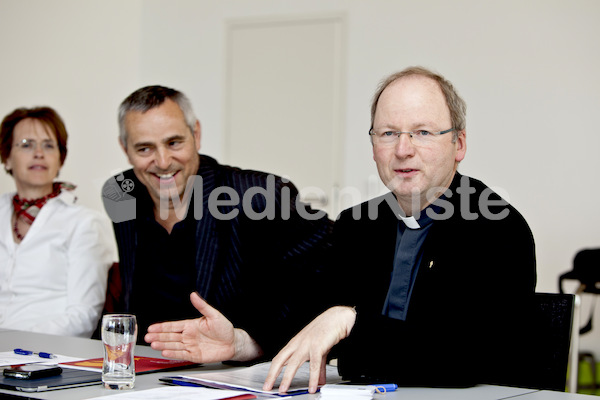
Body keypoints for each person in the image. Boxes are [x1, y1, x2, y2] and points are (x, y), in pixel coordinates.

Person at [263, 66, 537, 393]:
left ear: (458, 145)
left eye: (422, 132)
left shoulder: (498, 229)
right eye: (389, 133)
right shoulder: (357, 224)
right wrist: (241, 342)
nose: (403, 150)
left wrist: (354, 324)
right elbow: (315, 320)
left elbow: (464, 358)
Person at [102, 85, 332, 362]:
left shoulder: (257, 195)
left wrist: (247, 343)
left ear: (196, 134)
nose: (162, 161)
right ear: (124, 148)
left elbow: (340, 264)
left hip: (234, 373)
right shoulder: (119, 192)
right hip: (145, 367)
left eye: (174, 143)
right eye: (144, 148)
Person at [0, 106, 115, 337]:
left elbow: (83, 317)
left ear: (60, 159)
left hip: (44, 353)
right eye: (26, 144)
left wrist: (12, 342)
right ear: (7, 157)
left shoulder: (85, 223)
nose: (39, 153)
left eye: (48, 145)